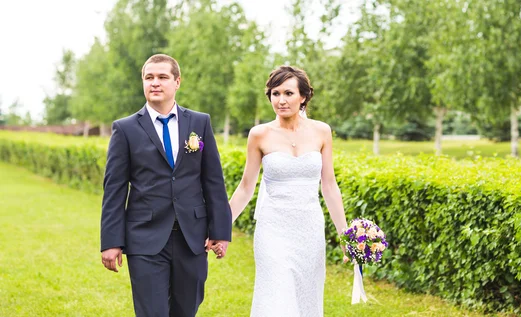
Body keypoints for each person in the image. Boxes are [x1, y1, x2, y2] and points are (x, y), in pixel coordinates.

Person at [100, 53, 232, 317]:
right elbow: (114, 190)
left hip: (192, 237)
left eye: (162, 77)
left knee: (186, 310)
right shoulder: (125, 129)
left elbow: (213, 181)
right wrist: (111, 241)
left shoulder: (199, 123)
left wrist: (220, 230)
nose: (155, 83)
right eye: (149, 77)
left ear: (177, 82)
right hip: (144, 238)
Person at [226, 65, 348, 316]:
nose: (281, 100)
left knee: (306, 299)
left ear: (303, 96)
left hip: (309, 228)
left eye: (288, 93)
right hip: (273, 229)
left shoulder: (322, 131)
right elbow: (246, 187)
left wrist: (344, 234)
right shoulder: (259, 134)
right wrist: (220, 226)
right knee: (276, 297)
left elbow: (329, 185)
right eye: (275, 93)